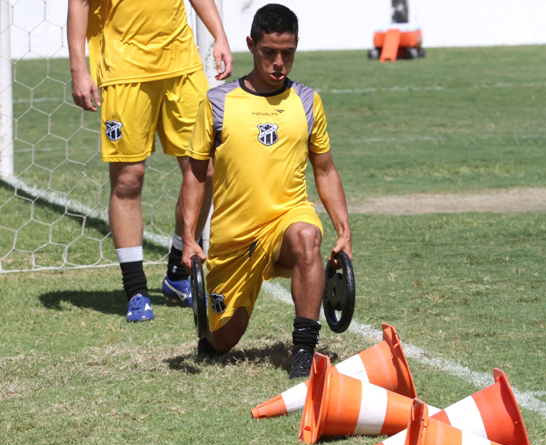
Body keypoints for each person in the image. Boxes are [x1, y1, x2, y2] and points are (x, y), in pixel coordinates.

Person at [179, 3, 353, 378]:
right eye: (269, 53)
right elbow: (195, 176)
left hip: (286, 220)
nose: (279, 63)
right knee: (220, 343)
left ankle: (303, 351)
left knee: (307, 237)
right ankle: (212, 328)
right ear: (251, 45)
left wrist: (343, 230)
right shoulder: (217, 102)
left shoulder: (307, 102)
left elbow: (325, 169)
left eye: (287, 54)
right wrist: (189, 239)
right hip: (234, 238)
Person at [67, 0, 233, 322]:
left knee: (207, 171)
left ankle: (177, 273)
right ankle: (136, 291)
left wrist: (219, 35)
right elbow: (79, 3)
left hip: (182, 67)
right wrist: (78, 67)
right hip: (123, 71)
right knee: (129, 179)